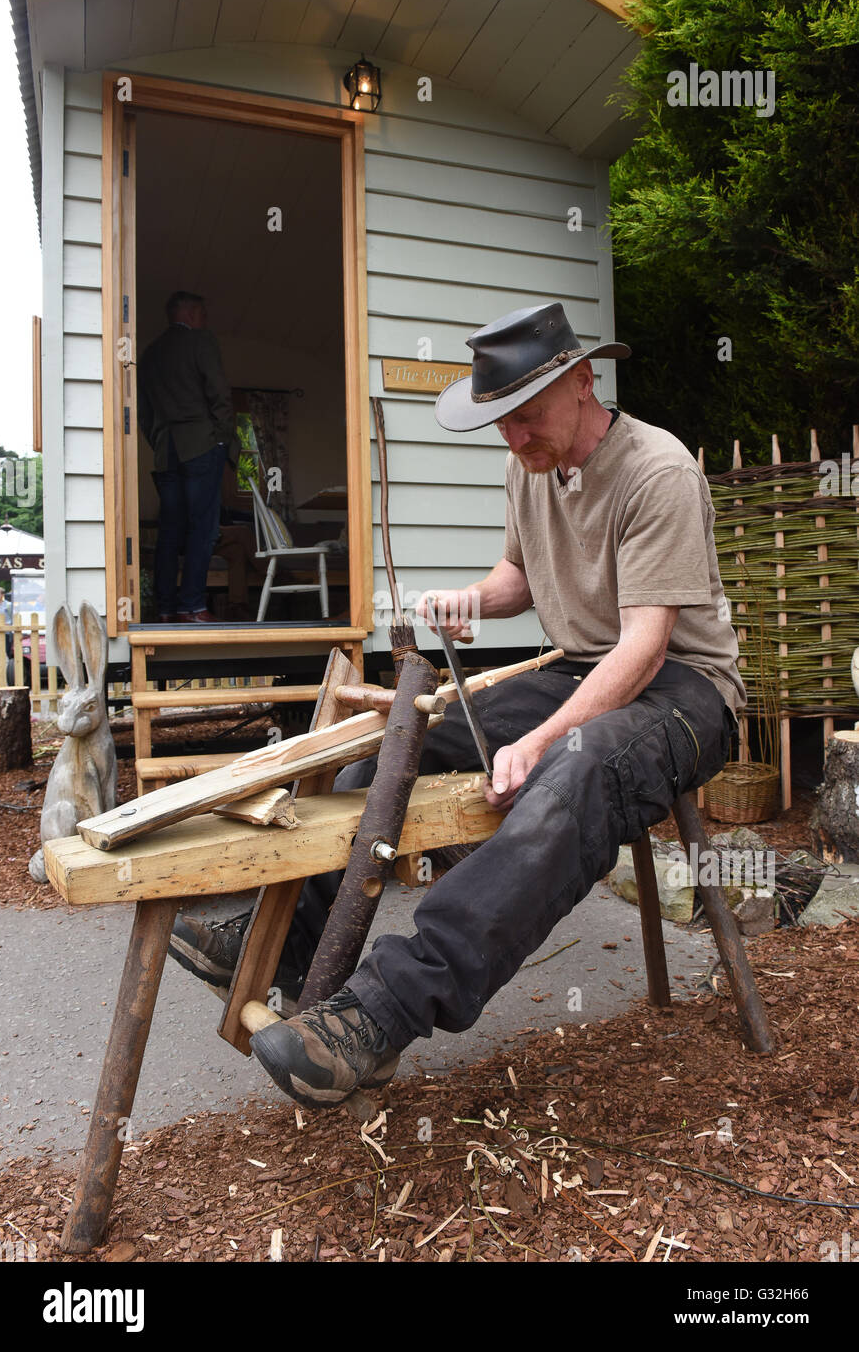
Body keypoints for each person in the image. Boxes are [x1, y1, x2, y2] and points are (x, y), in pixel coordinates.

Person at [169, 302, 746, 1110]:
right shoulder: (531, 463)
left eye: (527, 417)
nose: (513, 439)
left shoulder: (659, 469)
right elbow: (518, 578)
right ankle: (290, 948)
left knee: (573, 768)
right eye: (500, 423)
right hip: (586, 667)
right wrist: (467, 601)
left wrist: (542, 738)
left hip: (686, 692)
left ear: (583, 382)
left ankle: (381, 1014)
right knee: (406, 739)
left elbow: (645, 648)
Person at [137, 292, 238, 622]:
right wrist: (222, 440)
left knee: (169, 531)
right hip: (201, 446)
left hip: (167, 450)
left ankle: (164, 609)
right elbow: (219, 391)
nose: (205, 318)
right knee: (202, 529)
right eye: (203, 312)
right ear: (192, 312)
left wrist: (159, 440)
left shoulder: (149, 354)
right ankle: (192, 606)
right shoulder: (200, 341)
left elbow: (143, 412)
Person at [0, 586, 12, 659]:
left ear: (2, 595)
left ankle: (9, 668)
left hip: (7, 632)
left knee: (8, 651)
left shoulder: (8, 605)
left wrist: (9, 623)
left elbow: (13, 617)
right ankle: (0, 670)